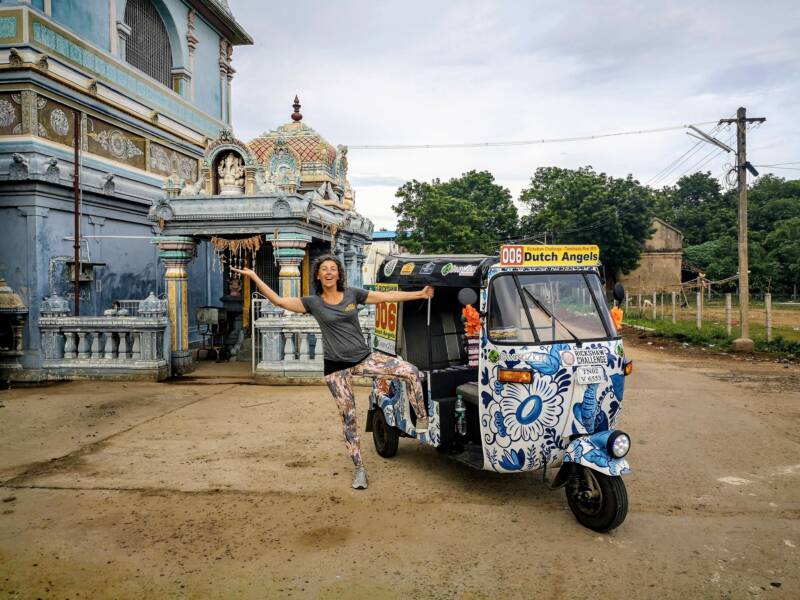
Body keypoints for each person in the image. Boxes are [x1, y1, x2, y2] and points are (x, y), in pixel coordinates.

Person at [231, 255, 433, 490]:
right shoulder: (313, 303)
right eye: (324, 269)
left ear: (339, 274)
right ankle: (359, 469)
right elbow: (279, 302)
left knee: (411, 371)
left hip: (364, 358)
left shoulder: (352, 295)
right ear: (318, 275)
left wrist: (419, 294)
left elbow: (386, 297)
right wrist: (254, 276)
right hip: (336, 369)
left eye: (333, 269)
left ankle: (422, 417)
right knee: (349, 419)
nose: (328, 272)